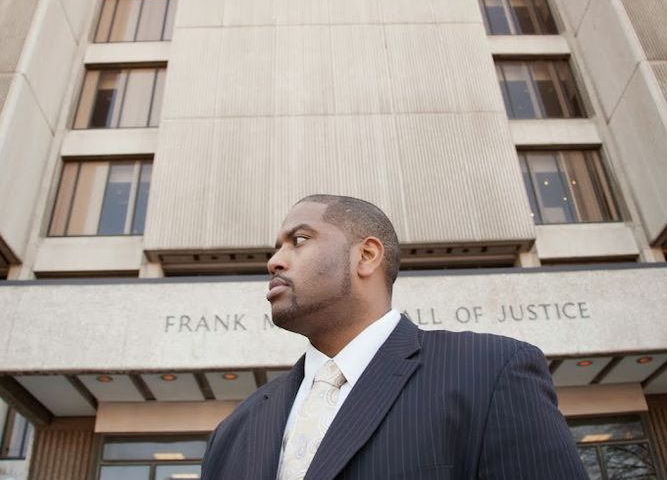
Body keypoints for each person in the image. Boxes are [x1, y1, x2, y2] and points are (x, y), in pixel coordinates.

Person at [201, 194, 588, 480]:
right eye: (276, 248)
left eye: (299, 240)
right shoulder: (235, 429)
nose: (274, 261)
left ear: (366, 255)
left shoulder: (489, 373)